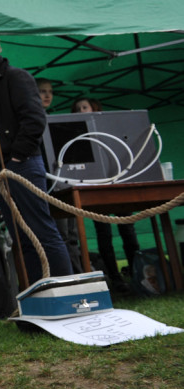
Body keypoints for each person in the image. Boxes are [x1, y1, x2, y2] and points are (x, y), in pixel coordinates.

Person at [0, 29, 72, 284]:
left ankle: (66, 292)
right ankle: (41, 293)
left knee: (42, 231)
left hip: (22, 165)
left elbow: (34, 120)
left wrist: (17, 159)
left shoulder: (16, 77)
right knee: (22, 239)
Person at [71, 97, 137, 291]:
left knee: (128, 229)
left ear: (94, 108)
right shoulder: (76, 136)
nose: (81, 111)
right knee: (104, 233)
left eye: (84, 107)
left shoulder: (108, 129)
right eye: (78, 109)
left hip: (117, 186)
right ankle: (115, 278)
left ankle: (137, 273)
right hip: (95, 189)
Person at [35, 77, 84, 274]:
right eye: (42, 91)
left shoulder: (53, 120)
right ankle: (68, 276)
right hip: (49, 184)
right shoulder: (32, 119)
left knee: (71, 234)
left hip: (64, 180)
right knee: (61, 233)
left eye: (50, 91)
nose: (47, 95)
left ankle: (78, 274)